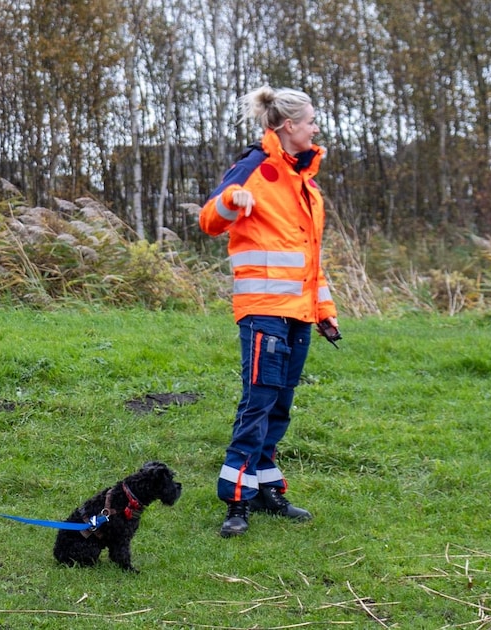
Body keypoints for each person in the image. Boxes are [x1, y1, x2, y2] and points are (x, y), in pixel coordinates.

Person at [198, 85, 339, 538]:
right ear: (289, 125)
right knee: (258, 401)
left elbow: (311, 259)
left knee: (280, 404)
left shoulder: (308, 187)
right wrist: (230, 201)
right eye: (311, 120)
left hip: (299, 314)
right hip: (261, 311)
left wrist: (324, 309)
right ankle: (235, 501)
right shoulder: (253, 167)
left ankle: (265, 490)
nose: (316, 127)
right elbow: (208, 221)